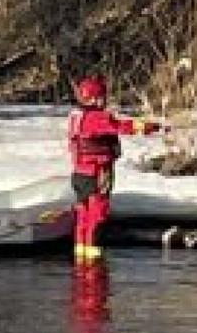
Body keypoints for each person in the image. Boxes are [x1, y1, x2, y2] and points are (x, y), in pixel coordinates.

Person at [68, 75, 165, 259]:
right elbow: (121, 126)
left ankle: (81, 256)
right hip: (97, 173)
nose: (105, 100)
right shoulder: (96, 118)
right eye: (103, 96)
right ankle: (94, 259)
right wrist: (150, 127)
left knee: (83, 216)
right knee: (97, 215)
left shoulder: (76, 116)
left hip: (80, 174)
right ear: (95, 98)